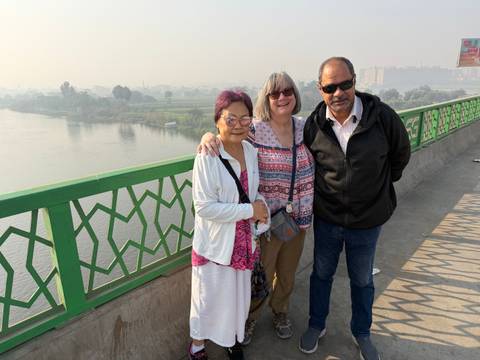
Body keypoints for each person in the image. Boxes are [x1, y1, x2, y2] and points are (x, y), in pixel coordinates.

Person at [299, 57, 411, 360]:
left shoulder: (382, 117)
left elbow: (401, 155)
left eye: (344, 84)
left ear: (355, 81)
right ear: (320, 89)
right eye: (330, 87)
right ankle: (316, 324)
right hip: (328, 218)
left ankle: (362, 332)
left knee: (362, 279)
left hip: (367, 220)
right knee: (321, 274)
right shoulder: (314, 124)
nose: (338, 93)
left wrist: (376, 188)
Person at [199, 72, 315, 344]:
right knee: (262, 273)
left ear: (295, 95)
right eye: (275, 94)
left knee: (287, 274)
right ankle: (250, 319)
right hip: (267, 219)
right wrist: (207, 136)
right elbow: (228, 134)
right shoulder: (256, 129)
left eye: (287, 91)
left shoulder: (306, 127)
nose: (282, 97)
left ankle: (280, 312)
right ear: (267, 99)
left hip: (299, 217)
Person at [189, 90, 269, 360]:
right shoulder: (207, 156)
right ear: (217, 121)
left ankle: (233, 340)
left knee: (236, 300)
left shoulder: (250, 150)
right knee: (206, 301)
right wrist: (250, 210)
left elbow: (254, 191)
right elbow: (204, 207)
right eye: (230, 119)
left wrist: (261, 209)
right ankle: (197, 347)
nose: (238, 125)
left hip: (244, 242)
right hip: (215, 245)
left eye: (245, 119)